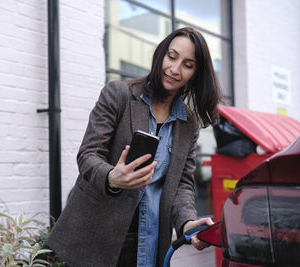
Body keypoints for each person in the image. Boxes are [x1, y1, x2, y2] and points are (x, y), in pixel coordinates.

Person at [47, 27, 222, 267]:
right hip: (95, 237)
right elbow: (88, 154)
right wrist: (111, 177)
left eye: (187, 64)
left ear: (195, 73)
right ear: (161, 54)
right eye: (172, 57)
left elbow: (182, 183)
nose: (175, 69)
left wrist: (187, 223)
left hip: (149, 241)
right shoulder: (118, 94)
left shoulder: (188, 123)